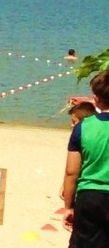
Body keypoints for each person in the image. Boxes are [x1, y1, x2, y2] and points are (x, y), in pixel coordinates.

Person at [63, 71, 109, 247]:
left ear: (95, 99)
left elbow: (71, 172)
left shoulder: (83, 127)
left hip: (89, 194)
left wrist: (68, 206)